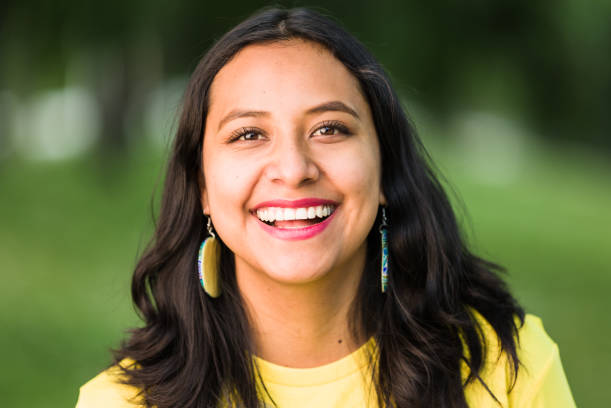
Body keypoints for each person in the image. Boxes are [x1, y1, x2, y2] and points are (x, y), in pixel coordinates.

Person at [76, 7, 575, 408]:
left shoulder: (503, 368)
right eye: (249, 134)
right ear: (202, 186)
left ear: (385, 169)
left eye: (330, 129)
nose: (293, 169)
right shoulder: (123, 402)